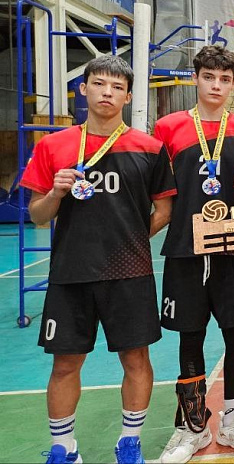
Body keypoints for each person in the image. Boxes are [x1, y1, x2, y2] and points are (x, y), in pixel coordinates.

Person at [22, 55, 175, 464]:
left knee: (136, 359)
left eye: (117, 87)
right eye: (99, 84)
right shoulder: (54, 146)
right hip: (71, 273)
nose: (107, 92)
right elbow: (37, 216)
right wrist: (54, 193)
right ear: (83, 88)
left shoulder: (149, 148)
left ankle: (130, 442)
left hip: (130, 273)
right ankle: (64, 447)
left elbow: (164, 210)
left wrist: (131, 241)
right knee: (64, 364)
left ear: (128, 96)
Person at [152, 46, 234, 463]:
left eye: (225, 79)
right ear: (195, 78)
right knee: (190, 334)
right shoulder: (168, 127)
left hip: (233, 252)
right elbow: (159, 192)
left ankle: (232, 422)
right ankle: (193, 427)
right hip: (185, 249)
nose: (216, 85)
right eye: (209, 77)